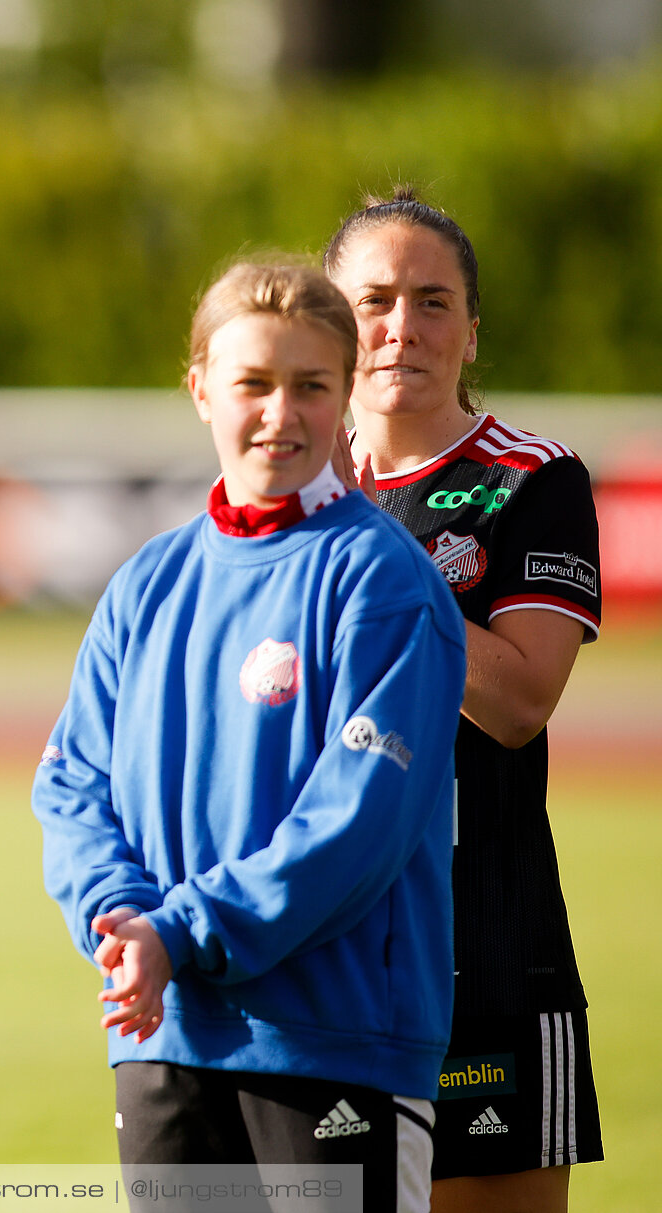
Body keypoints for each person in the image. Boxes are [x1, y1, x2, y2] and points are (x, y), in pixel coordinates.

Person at [33, 261, 468, 1213]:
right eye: (253, 384)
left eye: (311, 385)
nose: (282, 413)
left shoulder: (385, 584)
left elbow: (354, 828)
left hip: (335, 1043)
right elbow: (71, 784)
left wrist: (177, 932)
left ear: (346, 392)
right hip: (163, 1033)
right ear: (200, 389)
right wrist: (120, 922)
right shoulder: (147, 584)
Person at [324, 191, 604, 1213]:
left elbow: (521, 699)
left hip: (485, 945)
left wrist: (369, 539)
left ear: (472, 328)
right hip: (319, 957)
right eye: (376, 300)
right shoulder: (278, 492)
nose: (403, 328)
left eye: (434, 301)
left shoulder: (533, 480)